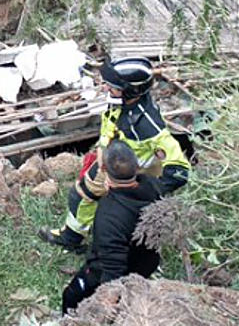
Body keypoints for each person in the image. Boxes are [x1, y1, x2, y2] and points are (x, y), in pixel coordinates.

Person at [40, 56, 190, 253]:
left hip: (129, 176)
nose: (106, 89)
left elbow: (180, 171)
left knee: (124, 217)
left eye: (113, 87)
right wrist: (102, 150)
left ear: (131, 91)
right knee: (81, 196)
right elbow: (109, 123)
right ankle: (72, 236)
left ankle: (129, 254)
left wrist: (149, 189)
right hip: (110, 162)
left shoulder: (149, 126)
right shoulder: (120, 102)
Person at [61, 141, 162, 313]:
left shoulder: (108, 216)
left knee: (70, 296)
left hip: (115, 271)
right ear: (137, 167)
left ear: (104, 170)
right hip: (146, 262)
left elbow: (113, 269)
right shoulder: (153, 186)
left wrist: (107, 302)